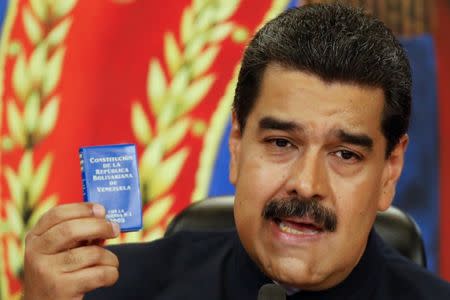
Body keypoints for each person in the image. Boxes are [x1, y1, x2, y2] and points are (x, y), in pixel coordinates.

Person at [23, 3, 450, 299]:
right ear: (236, 144)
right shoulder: (108, 290)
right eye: (281, 143)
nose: (306, 184)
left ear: (390, 171)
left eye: (345, 155)